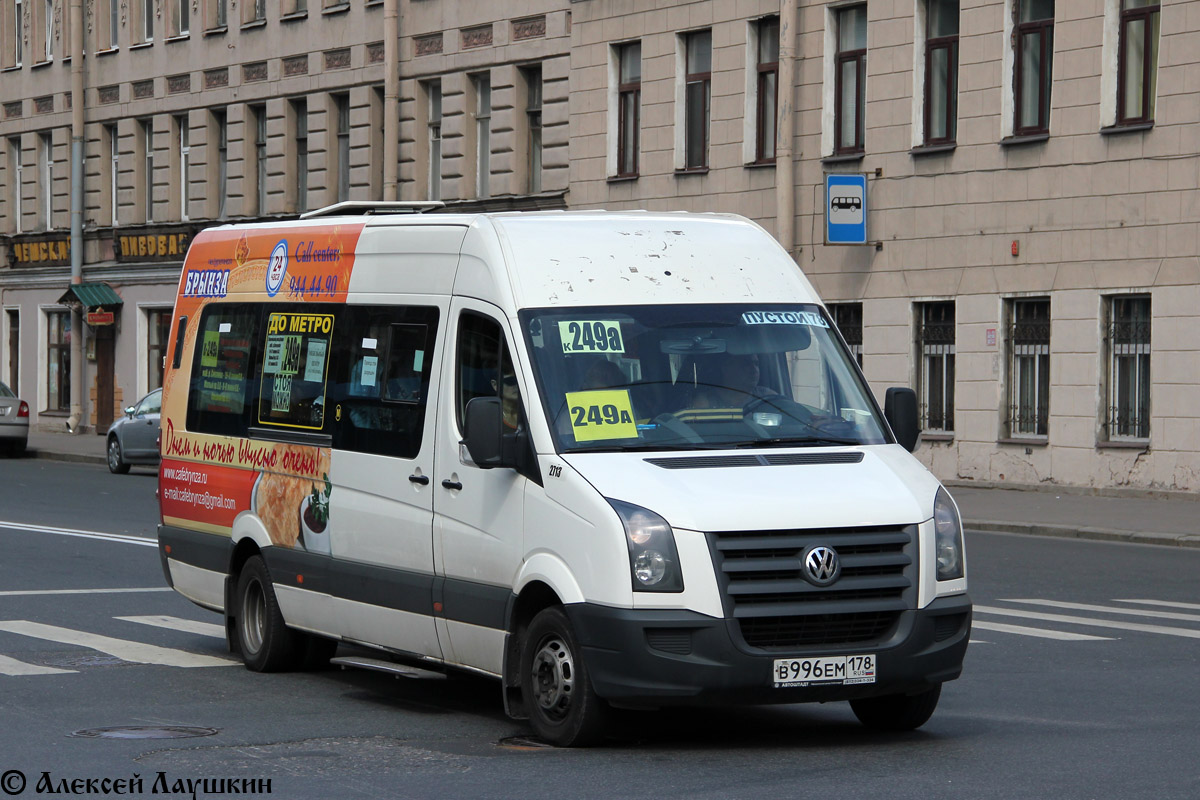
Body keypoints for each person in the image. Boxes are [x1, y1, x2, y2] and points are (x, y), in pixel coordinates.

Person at [691, 353, 777, 409]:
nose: (754, 370)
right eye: (746, 364)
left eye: (756, 364)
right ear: (726, 368)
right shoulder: (705, 402)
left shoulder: (768, 398)